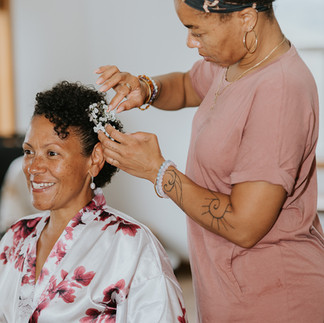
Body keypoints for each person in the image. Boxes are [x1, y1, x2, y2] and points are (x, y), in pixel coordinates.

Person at [94, 0, 324, 322]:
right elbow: (189, 86)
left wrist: (157, 171)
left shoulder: (281, 91)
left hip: (276, 297)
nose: (190, 42)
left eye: (196, 30)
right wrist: (145, 88)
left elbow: (245, 225)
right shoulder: (236, 59)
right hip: (230, 292)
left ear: (245, 18)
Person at [0, 81, 187, 323]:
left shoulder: (131, 246)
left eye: (52, 153)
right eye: (28, 151)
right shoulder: (15, 238)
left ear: (95, 158)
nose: (33, 167)